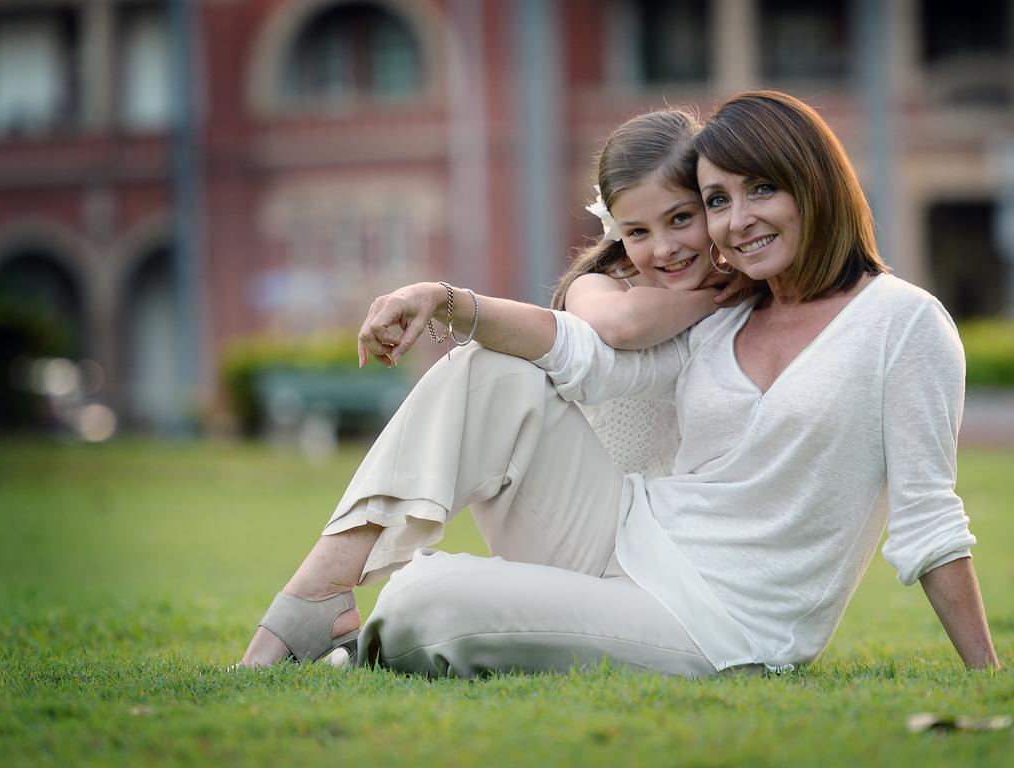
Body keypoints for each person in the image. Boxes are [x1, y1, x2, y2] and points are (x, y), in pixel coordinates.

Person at [239, 90, 999, 675]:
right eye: (717, 201)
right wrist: (444, 300)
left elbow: (929, 518)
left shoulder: (904, 323)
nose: (736, 222)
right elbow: (582, 353)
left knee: (420, 603)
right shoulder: (723, 315)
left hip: (727, 623)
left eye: (761, 190)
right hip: (628, 534)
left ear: (817, 186)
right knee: (490, 372)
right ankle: (315, 601)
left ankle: (359, 635)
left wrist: (984, 677)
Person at [552, 107, 731, 479]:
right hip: (593, 507)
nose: (664, 248)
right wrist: (712, 297)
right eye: (638, 232)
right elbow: (623, 325)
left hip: (686, 515)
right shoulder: (601, 284)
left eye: (680, 218)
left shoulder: (750, 288)